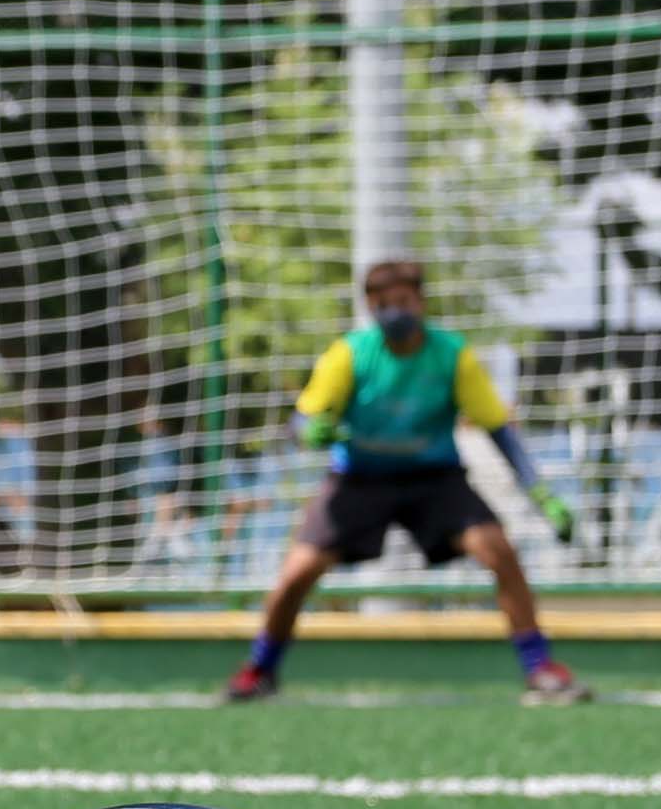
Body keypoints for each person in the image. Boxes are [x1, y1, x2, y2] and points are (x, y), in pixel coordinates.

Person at [223, 259, 590, 706]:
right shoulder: (350, 354)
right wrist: (309, 431)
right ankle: (260, 670)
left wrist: (541, 495)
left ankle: (540, 668)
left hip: (434, 479)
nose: (394, 312)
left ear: (421, 301)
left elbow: (498, 430)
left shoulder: (452, 355)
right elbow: (302, 420)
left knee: (498, 550)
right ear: (369, 308)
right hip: (358, 479)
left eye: (402, 301)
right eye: (382, 305)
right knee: (297, 572)